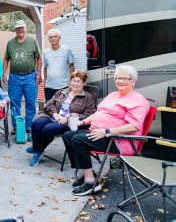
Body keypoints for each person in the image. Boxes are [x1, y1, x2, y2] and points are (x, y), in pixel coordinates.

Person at [62, 65, 150, 196]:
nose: (121, 81)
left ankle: (91, 181)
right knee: (68, 135)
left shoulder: (138, 100)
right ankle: (88, 171)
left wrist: (107, 131)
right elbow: (99, 113)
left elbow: (133, 126)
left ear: (133, 81)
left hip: (120, 140)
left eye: (126, 78)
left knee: (78, 140)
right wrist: (82, 122)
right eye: (118, 78)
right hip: (101, 133)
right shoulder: (113, 95)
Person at [26, 71, 96, 166]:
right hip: (53, 116)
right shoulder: (62, 92)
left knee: (48, 129)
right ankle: (37, 148)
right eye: (73, 80)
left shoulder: (87, 97)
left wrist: (68, 118)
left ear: (84, 84)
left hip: (68, 122)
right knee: (36, 124)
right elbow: (49, 104)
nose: (75, 83)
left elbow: (89, 114)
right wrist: (55, 114)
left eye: (78, 81)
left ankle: (37, 150)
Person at [3, 20, 42, 135]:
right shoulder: (10, 43)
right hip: (14, 77)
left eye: (22, 27)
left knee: (31, 102)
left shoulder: (32, 41)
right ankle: (16, 126)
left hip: (30, 76)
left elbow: (39, 58)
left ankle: (29, 125)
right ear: (15, 30)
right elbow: (6, 58)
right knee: (15, 103)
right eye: (17, 28)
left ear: (25, 28)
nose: (20, 30)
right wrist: (4, 73)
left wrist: (39, 73)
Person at [43, 28, 74, 101]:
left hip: (64, 86)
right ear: (48, 39)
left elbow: (71, 66)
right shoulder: (45, 52)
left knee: (63, 108)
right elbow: (45, 68)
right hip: (49, 87)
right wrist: (45, 83)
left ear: (59, 38)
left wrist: (71, 82)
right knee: (49, 108)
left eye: (55, 36)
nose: (53, 38)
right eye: (51, 37)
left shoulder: (67, 50)